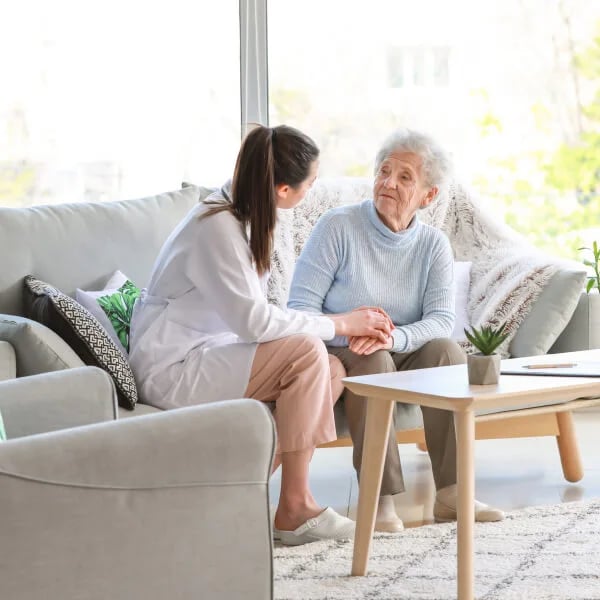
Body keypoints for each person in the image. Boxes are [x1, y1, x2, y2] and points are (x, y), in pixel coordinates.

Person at [128, 124, 394, 546]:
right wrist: (341, 323)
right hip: (173, 370)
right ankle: (295, 507)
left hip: (207, 355)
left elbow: (255, 318)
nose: (312, 190)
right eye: (309, 183)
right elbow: (254, 323)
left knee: (330, 370)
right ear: (283, 190)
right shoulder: (215, 228)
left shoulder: (238, 216)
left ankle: (232, 494)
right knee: (309, 354)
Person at [288, 128, 505, 532]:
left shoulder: (433, 245)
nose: (388, 182)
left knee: (446, 353)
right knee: (373, 358)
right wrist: (352, 332)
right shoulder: (338, 227)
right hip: (341, 347)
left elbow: (441, 320)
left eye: (405, 177)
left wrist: (393, 337)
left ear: (428, 195)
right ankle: (379, 499)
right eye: (384, 171)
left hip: (399, 345)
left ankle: (452, 492)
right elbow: (299, 310)